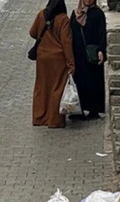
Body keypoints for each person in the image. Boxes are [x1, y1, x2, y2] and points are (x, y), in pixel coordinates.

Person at [30, 0, 75, 128]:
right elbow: (67, 43)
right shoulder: (63, 19)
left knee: (42, 87)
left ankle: (39, 117)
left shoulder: (40, 15)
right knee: (57, 88)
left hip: (42, 58)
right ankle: (54, 120)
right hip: (58, 60)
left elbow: (32, 33)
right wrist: (71, 63)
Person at [69, 0, 107, 120]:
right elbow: (70, 34)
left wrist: (101, 50)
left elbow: (102, 34)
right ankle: (78, 110)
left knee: (93, 81)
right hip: (78, 55)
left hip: (92, 54)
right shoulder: (75, 14)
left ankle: (94, 110)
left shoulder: (98, 13)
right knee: (79, 82)